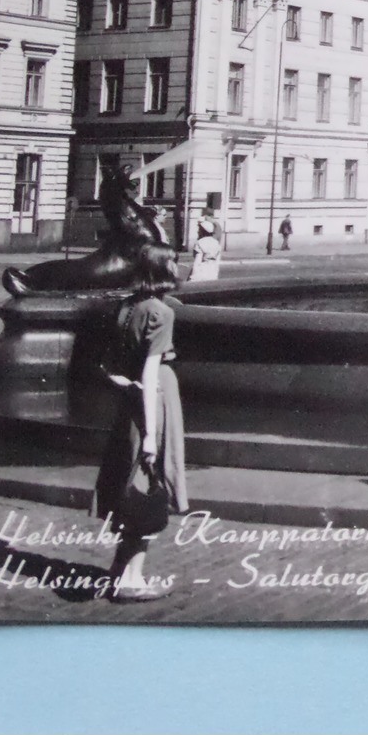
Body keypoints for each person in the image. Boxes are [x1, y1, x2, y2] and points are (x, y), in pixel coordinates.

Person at [91, 243, 188, 601]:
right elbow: (150, 372)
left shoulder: (127, 308)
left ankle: (120, 574)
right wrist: (151, 434)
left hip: (132, 401)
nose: (179, 267)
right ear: (163, 268)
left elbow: (106, 366)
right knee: (148, 486)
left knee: (132, 487)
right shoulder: (162, 312)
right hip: (155, 402)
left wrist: (122, 384)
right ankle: (131, 581)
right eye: (174, 262)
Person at [189, 216, 222, 281]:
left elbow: (197, 262)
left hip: (201, 271)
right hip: (213, 271)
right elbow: (217, 261)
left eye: (199, 229)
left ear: (203, 231)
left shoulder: (200, 243)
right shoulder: (216, 243)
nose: (198, 231)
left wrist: (192, 277)